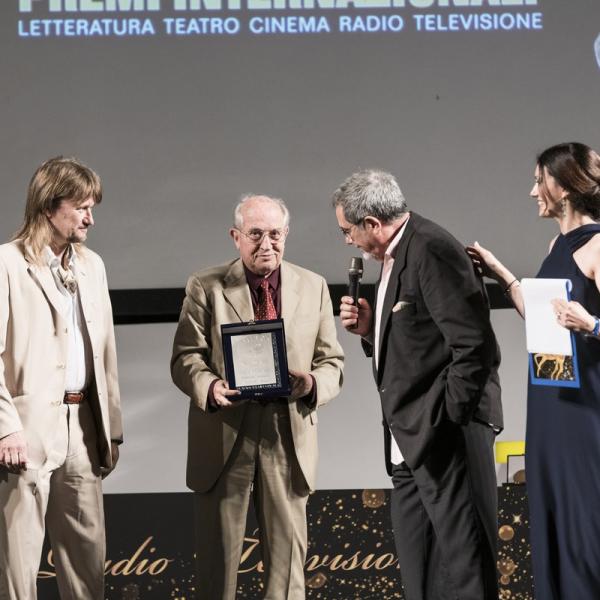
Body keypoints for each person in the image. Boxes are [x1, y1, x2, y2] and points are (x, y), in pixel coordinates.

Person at [333, 169, 502, 600]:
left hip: (443, 437)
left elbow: (476, 346)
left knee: (466, 572)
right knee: (421, 577)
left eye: (347, 231)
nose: (348, 241)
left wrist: (447, 418)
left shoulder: (431, 248)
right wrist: (372, 332)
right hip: (408, 442)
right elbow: (420, 344)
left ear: (371, 222)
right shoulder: (395, 256)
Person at [170, 194, 344, 600]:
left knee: (287, 578)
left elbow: (333, 362)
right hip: (224, 434)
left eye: (275, 234)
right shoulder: (205, 285)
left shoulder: (313, 285)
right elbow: (184, 359)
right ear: (236, 237)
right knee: (217, 572)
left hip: (287, 435)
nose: (267, 244)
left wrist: (313, 384)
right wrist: (209, 387)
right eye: (255, 234)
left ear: (286, 235)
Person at [468, 142, 600, 600]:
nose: (532, 191)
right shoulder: (556, 245)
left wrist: (593, 323)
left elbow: (582, 322)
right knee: (553, 514)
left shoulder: (599, 246)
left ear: (562, 187)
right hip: (549, 402)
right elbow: (547, 316)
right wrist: (503, 275)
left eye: (538, 180)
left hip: (585, 412)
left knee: (584, 520)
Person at [0, 156, 123, 599]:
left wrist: (112, 429)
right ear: (49, 206)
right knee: (19, 567)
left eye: (93, 206)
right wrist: (5, 427)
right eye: (81, 206)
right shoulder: (7, 264)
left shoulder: (92, 266)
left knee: (87, 563)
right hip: (26, 430)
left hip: (83, 428)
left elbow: (105, 353)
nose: (91, 217)